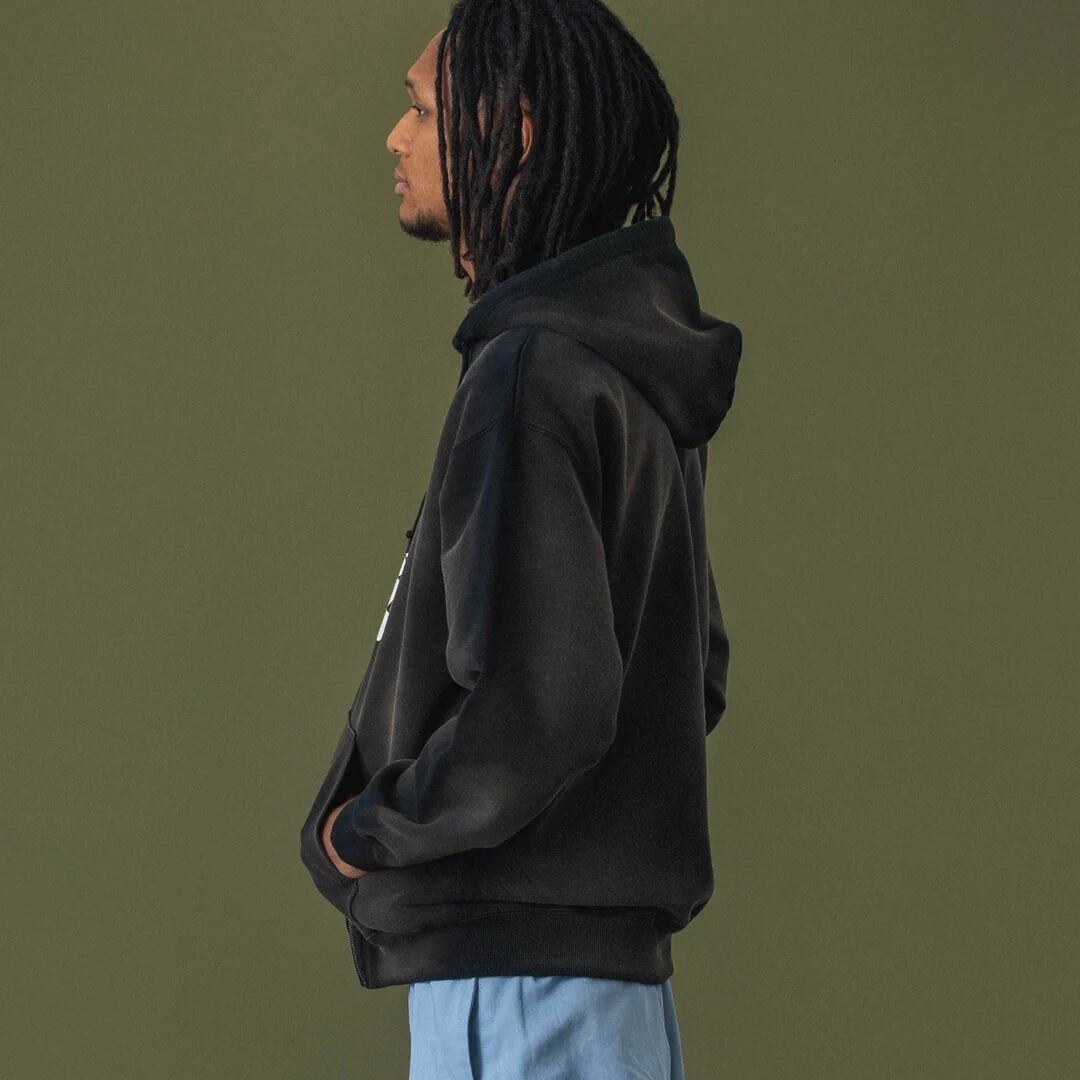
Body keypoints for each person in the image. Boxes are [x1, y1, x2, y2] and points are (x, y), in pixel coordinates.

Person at [298, 3, 744, 1076]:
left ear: (517, 132)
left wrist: (365, 831)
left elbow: (540, 708)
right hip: (611, 1001)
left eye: (420, 109)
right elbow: (694, 672)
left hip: (518, 992)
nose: (396, 137)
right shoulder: (626, 374)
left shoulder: (531, 376)